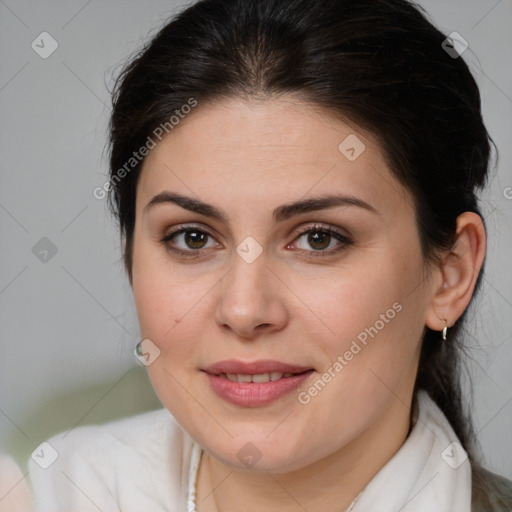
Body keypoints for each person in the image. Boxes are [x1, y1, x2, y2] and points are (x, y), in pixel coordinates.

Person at [25, 0, 512, 510]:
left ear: (449, 275)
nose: (244, 309)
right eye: (192, 238)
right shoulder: (45, 493)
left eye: (319, 238)